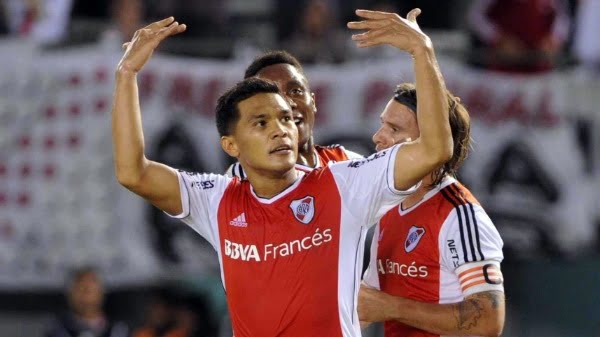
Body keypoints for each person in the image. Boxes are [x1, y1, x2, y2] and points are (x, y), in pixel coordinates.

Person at [112, 9, 453, 336]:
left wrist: (422, 53)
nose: (282, 127)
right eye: (262, 121)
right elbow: (133, 172)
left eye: (286, 117)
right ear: (231, 144)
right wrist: (126, 74)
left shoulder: (344, 181)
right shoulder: (218, 198)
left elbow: (434, 150)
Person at [359, 84, 505, 337]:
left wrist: (392, 307)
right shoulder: (388, 205)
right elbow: (366, 305)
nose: (377, 137)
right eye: (382, 124)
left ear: (432, 141)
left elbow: (488, 319)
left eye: (394, 129)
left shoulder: (459, 214)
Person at [226, 50, 363, 179]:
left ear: (313, 102)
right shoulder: (242, 179)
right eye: (273, 96)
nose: (288, 104)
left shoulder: (351, 165)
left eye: (296, 91)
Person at [43, 266, 129, 337]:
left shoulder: (118, 330)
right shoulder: (56, 330)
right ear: (70, 295)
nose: (85, 296)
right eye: (80, 289)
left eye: (89, 290)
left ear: (101, 292)